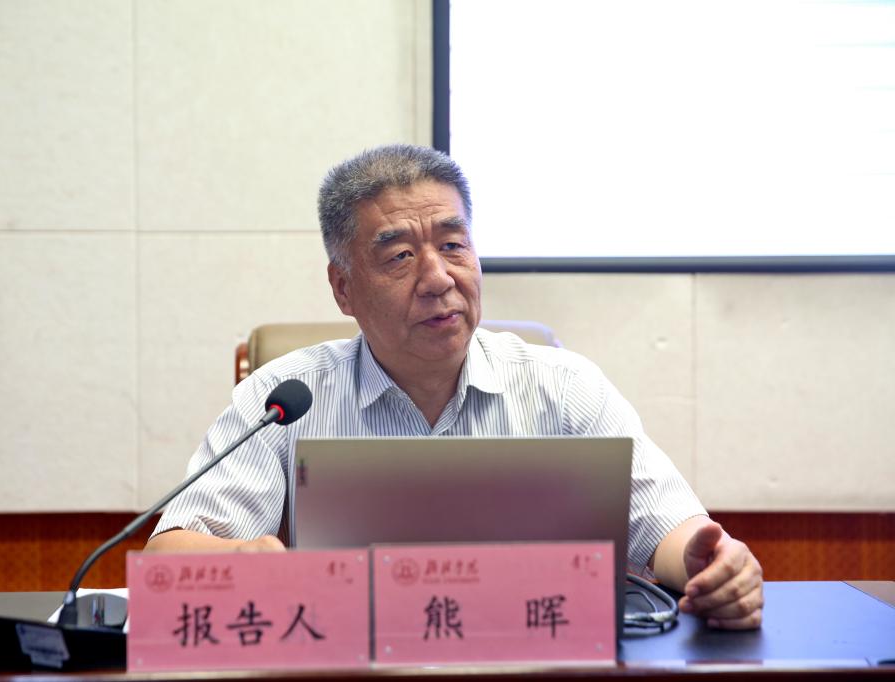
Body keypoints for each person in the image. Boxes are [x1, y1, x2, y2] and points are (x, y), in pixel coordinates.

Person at [146, 144, 764, 630]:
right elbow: (169, 556)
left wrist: (709, 562)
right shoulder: (286, 398)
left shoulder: (563, 386)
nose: (438, 277)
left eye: (452, 245)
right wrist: (239, 561)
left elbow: (669, 527)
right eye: (399, 257)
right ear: (343, 288)